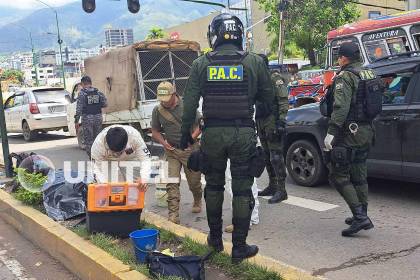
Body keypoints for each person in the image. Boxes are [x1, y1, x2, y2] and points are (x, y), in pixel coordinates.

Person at [180, 13, 275, 264]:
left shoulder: (201, 64)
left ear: (214, 35)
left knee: (213, 186)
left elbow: (188, 104)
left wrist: (184, 136)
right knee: (242, 189)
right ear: (240, 34)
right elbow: (269, 99)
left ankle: (215, 239)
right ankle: (240, 247)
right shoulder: (254, 62)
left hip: (212, 133)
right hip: (243, 132)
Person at [324, 42, 375, 237]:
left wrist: (332, 132)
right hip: (367, 131)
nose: (338, 60)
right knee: (359, 174)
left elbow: (341, 107)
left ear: (344, 58)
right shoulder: (368, 72)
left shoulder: (345, 76)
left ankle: (360, 218)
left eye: (339, 57)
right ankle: (361, 213)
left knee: (339, 175)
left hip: (350, 133)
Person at [151, 81, 203, 224]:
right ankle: (173, 214)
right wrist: (164, 143)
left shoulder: (187, 106)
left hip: (189, 150)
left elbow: (201, 124)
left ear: (174, 94)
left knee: (194, 182)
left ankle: (197, 198)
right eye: (162, 100)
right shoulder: (158, 110)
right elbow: (155, 131)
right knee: (171, 182)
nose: (164, 103)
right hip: (172, 151)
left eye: (167, 100)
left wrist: (190, 139)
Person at [256, 54, 289, 203]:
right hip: (261, 120)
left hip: (272, 120)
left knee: (276, 156)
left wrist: (281, 121)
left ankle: (282, 190)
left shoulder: (275, 78)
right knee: (266, 154)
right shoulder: (256, 79)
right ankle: (272, 185)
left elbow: (283, 101)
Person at [75, 76, 107, 157]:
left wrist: (76, 121)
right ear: (90, 83)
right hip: (98, 117)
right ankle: (100, 155)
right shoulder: (98, 92)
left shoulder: (82, 94)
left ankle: (92, 157)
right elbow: (105, 104)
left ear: (82, 83)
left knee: (89, 140)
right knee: (98, 138)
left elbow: (79, 109)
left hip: (87, 119)